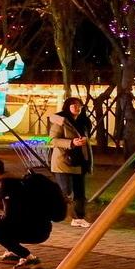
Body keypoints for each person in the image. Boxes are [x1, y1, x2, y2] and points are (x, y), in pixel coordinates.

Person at [48, 96, 93, 228]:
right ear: (67, 107)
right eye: (73, 105)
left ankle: (78, 217)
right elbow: (52, 140)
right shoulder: (60, 121)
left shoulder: (84, 121)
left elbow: (87, 140)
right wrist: (71, 142)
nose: (77, 107)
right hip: (63, 161)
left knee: (80, 192)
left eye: (79, 105)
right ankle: (52, 213)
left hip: (80, 161)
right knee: (66, 192)